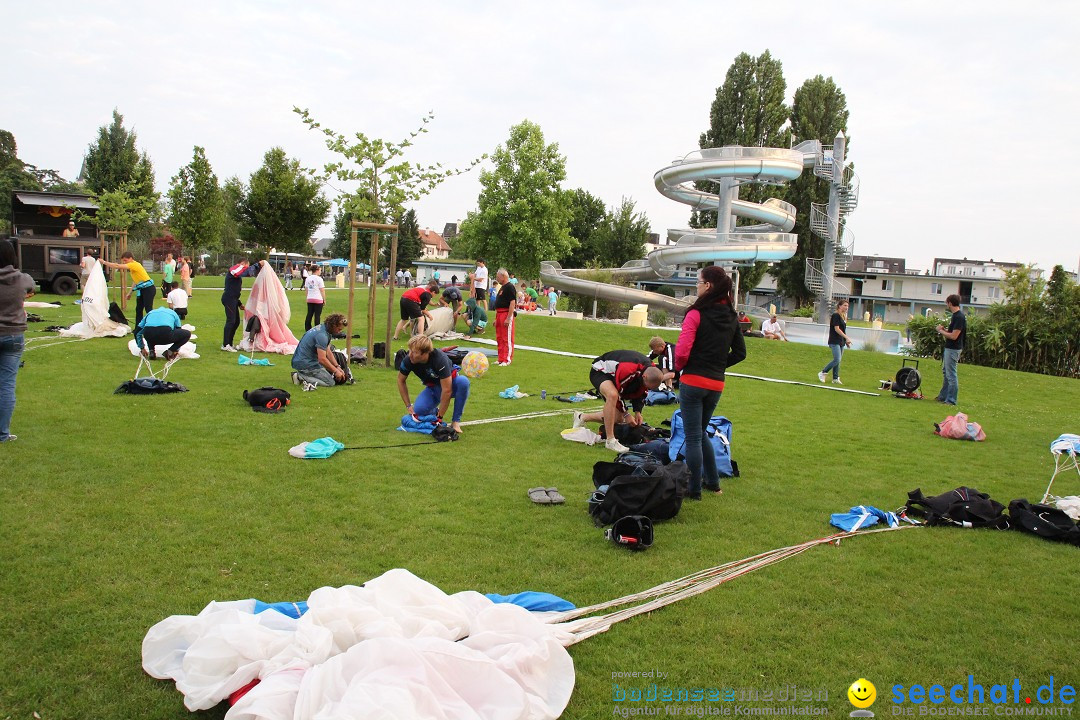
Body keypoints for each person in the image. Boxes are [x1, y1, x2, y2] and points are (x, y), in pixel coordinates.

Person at [673, 266, 746, 499]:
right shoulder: (732, 316)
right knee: (700, 432)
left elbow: (682, 351)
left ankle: (693, 489)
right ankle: (713, 482)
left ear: (708, 286)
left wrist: (677, 370)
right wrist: (718, 365)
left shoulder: (695, 314)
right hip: (716, 384)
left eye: (698, 282)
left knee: (693, 436)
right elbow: (740, 352)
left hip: (693, 380)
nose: (696, 286)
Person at [573, 350, 664, 453]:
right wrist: (626, 414)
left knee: (618, 418)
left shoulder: (650, 370)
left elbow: (642, 391)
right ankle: (610, 441)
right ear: (644, 377)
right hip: (600, 371)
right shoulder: (628, 370)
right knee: (613, 395)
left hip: (615, 375)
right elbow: (619, 394)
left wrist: (638, 411)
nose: (646, 388)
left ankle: (582, 417)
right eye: (647, 385)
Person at [396, 334, 469, 435]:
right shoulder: (408, 360)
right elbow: (400, 380)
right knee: (419, 410)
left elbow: (447, 390)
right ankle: (434, 412)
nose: (410, 355)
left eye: (414, 352)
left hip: (452, 385)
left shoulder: (439, 359)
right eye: (410, 350)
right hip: (434, 388)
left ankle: (456, 421)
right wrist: (408, 405)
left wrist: (440, 418)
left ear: (425, 353)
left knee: (463, 382)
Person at [0, 239, 35, 443]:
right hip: (13, 335)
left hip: (12, 335)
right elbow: (30, 287)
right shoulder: (22, 279)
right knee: (6, 385)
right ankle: (3, 433)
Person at [291, 313, 348, 389]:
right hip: (306, 364)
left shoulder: (323, 328)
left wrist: (337, 367)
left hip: (303, 361)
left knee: (329, 374)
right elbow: (322, 359)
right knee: (330, 382)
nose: (339, 332)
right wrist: (335, 371)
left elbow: (328, 351)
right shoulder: (322, 335)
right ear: (334, 325)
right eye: (339, 329)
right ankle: (300, 376)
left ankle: (304, 374)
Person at [221, 258, 266, 351]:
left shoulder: (237, 273)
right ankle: (226, 345)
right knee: (231, 321)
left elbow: (234, 290)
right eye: (246, 266)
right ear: (242, 263)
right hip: (229, 299)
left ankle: (229, 343)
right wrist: (257, 264)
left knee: (236, 322)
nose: (247, 268)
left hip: (233, 299)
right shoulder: (235, 268)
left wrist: (239, 303)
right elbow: (243, 272)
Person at [101, 251, 155, 325]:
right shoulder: (133, 268)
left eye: (125, 260)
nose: (124, 262)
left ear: (131, 258)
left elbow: (117, 266)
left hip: (148, 289)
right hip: (142, 289)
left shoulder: (134, 265)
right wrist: (130, 293)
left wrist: (104, 262)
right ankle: (138, 328)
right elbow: (135, 281)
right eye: (123, 261)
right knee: (138, 309)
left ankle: (152, 325)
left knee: (148, 309)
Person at [935, 294, 966, 406]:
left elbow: (954, 336)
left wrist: (940, 331)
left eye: (947, 303)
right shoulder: (955, 316)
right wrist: (946, 330)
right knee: (946, 372)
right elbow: (953, 331)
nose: (946, 305)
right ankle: (943, 396)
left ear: (950, 303)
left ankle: (951, 400)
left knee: (951, 374)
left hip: (953, 349)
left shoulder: (959, 317)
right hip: (950, 348)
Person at [818, 299, 852, 385]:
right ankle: (823, 372)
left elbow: (843, 330)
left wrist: (846, 340)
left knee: (838, 361)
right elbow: (836, 329)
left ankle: (835, 378)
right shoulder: (836, 315)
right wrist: (847, 337)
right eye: (844, 305)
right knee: (837, 359)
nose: (846, 307)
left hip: (841, 341)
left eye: (847, 306)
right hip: (834, 340)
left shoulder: (843, 316)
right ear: (839, 306)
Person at [493, 268, 517, 366]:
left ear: (503, 276)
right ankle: (500, 358)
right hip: (499, 314)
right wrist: (496, 319)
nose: (497, 278)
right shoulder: (502, 287)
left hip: (506, 313)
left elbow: (512, 303)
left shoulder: (510, 287)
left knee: (506, 337)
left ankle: (507, 359)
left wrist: (508, 318)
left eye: (498, 276)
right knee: (499, 337)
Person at [304, 264, 326, 331]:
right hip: (318, 299)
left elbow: (306, 289)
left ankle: (307, 328)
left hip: (310, 298)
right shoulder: (319, 279)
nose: (320, 272)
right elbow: (322, 290)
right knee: (317, 315)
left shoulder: (308, 278)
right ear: (317, 270)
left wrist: (307, 297)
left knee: (309, 314)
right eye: (320, 270)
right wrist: (324, 299)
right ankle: (317, 328)